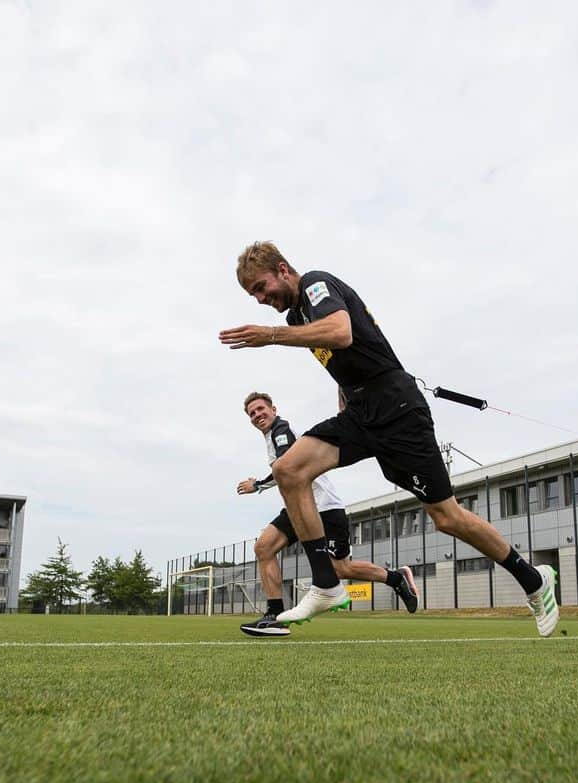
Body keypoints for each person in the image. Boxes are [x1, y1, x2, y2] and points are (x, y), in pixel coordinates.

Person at [219, 242, 559, 636]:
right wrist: (344, 401)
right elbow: (344, 363)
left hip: (398, 411)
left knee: (447, 518)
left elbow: (341, 333)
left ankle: (533, 580)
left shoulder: (315, 284)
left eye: (261, 288)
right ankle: (327, 584)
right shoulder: (298, 314)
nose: (261, 300)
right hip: (362, 414)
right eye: (254, 296)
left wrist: (273, 335)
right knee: (289, 470)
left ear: (282, 269)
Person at [237, 391, 419, 636]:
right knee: (263, 547)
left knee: (340, 569)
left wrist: (258, 485)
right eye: (252, 413)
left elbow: (287, 465)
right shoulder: (271, 438)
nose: (257, 414)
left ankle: (396, 579)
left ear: (274, 409)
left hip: (323, 508)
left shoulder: (281, 431)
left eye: (261, 409)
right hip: (297, 507)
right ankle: (274, 615)